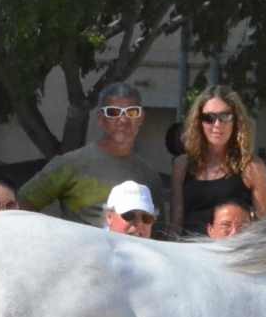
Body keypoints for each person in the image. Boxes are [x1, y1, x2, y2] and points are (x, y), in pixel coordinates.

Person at [19, 82, 163, 226]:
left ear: (141, 118)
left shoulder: (149, 176)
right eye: (113, 112)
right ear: (101, 119)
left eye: (132, 112)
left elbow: (156, 233)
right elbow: (21, 204)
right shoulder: (71, 164)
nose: (123, 120)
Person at [170, 86, 266, 237]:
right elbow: (175, 225)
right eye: (209, 118)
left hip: (232, 254)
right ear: (199, 122)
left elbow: (264, 226)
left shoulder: (251, 167)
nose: (217, 125)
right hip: (189, 254)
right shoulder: (182, 165)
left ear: (236, 121)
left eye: (225, 117)